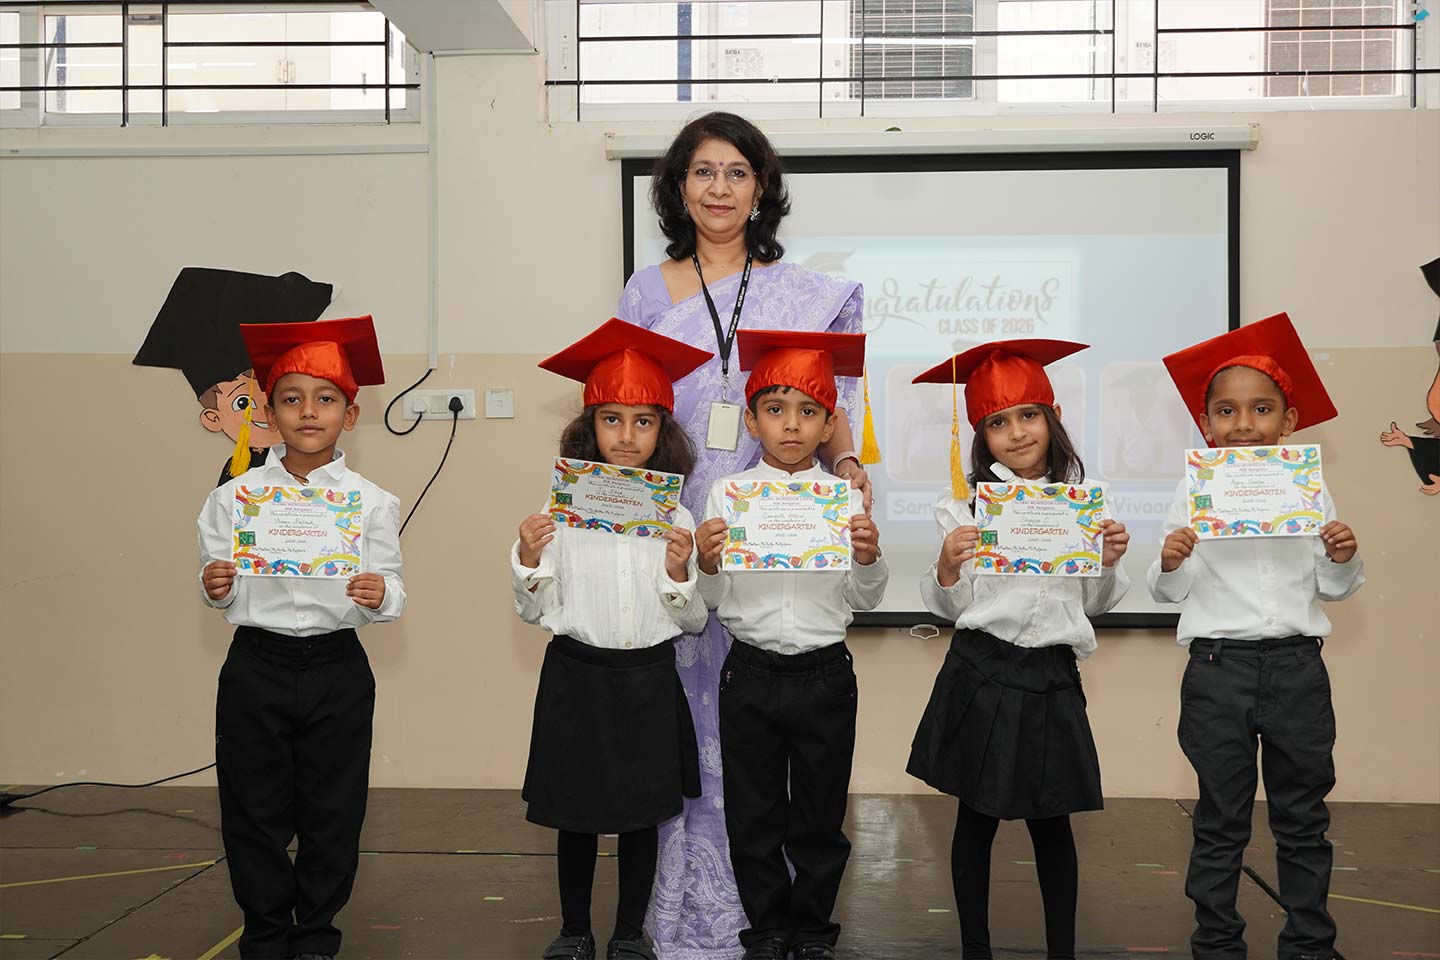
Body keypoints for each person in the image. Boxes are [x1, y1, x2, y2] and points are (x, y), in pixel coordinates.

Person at [612, 111, 874, 955]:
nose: (719, 188)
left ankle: (781, 913)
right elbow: (628, 408)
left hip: (775, 525)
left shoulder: (803, 293)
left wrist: (845, 469)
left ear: (761, 188)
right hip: (681, 527)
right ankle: (696, 906)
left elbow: (830, 403)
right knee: (688, 722)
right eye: (703, 172)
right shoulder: (646, 291)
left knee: (769, 736)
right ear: (677, 187)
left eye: (736, 173)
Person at [1149, 312, 1364, 960]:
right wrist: (1171, 560)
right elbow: (1170, 593)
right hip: (1219, 669)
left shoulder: (1309, 487)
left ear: (1289, 422)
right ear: (1206, 424)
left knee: (1303, 818)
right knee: (1221, 818)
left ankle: (1310, 944)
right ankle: (1217, 944)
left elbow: (1334, 587)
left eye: (1261, 409)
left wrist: (1342, 554)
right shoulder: (1192, 489)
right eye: (1226, 411)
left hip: (1298, 667)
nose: (1243, 424)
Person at [906, 340, 1131, 960]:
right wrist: (947, 567)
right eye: (997, 422)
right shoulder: (963, 505)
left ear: (1053, 417)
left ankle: (1062, 950)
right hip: (981, 669)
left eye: (1029, 415)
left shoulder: (1089, 501)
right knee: (974, 819)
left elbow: (1094, 604)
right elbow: (952, 605)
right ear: (981, 436)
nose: (1017, 433)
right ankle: (974, 947)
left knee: (1052, 822)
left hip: (1052, 672)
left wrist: (1106, 561)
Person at [197, 315, 405, 958]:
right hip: (256, 665)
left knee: (333, 811)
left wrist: (379, 595)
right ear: (268, 411)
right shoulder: (235, 498)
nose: (308, 412)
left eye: (325, 399)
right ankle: (264, 933)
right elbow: (218, 591)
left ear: (351, 414)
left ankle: (315, 934)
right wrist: (215, 585)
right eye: (291, 399)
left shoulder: (371, 502)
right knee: (251, 810)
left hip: (336, 667)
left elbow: (394, 589)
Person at [513, 319, 712, 960]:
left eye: (643, 422)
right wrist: (528, 557)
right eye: (612, 420)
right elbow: (533, 609)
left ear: (663, 431)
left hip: (648, 678)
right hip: (577, 676)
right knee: (574, 815)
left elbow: (693, 620)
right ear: (589, 428)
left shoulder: (676, 515)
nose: (627, 436)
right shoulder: (561, 510)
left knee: (640, 816)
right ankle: (574, 930)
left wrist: (679, 573)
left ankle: (629, 934)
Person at [694, 329, 888, 960]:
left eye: (809, 412)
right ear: (752, 421)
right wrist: (707, 563)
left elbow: (864, 598)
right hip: (749, 672)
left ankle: (811, 931)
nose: (792, 425)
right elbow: (714, 599)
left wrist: (867, 558)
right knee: (753, 814)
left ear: (830, 425)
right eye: (775, 410)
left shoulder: (844, 497)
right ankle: (767, 930)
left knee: (819, 816)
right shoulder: (728, 495)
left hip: (824, 675)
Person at [134, 267, 333, 486]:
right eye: (243, 403)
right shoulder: (236, 473)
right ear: (213, 417)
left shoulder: (312, 467)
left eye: (287, 400)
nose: (265, 413)